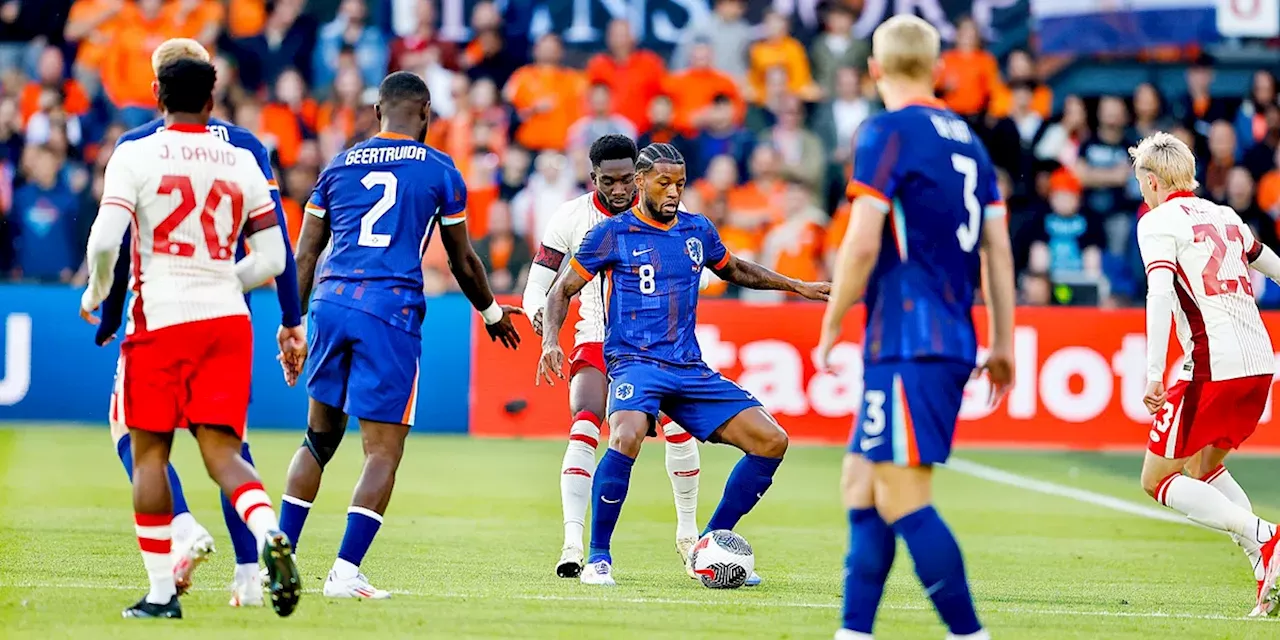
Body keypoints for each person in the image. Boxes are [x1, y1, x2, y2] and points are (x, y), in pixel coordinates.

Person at [277, 71, 522, 599]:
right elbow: (462, 259)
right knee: (382, 450)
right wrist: (492, 312)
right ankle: (344, 572)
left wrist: (291, 325)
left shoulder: (337, 166)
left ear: (376, 112)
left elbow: (303, 256)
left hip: (330, 303)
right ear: (427, 113)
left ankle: (284, 551)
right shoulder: (440, 169)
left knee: (318, 439)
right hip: (389, 310)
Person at [537, 142, 829, 586]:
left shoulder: (697, 230)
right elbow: (561, 290)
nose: (673, 192)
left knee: (771, 441)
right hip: (635, 363)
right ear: (640, 183)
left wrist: (798, 286)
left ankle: (708, 545)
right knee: (627, 433)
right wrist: (549, 341)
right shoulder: (612, 234)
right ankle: (598, 557)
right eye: (663, 183)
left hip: (689, 368)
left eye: (679, 183)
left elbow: (736, 270)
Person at [79, 57, 300, 620]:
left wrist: (97, 292)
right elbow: (274, 258)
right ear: (212, 98)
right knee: (223, 452)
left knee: (148, 450)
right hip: (227, 321)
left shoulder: (134, 152)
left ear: (156, 93)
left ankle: (159, 595)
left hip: (161, 318)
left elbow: (107, 243)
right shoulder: (242, 158)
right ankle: (270, 529)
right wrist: (228, 278)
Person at [816, 15, 1015, 640]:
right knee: (861, 479)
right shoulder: (971, 142)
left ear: (874, 69)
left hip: (910, 337)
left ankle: (970, 634)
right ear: (936, 70)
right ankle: (854, 632)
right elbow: (998, 249)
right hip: (941, 334)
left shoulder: (886, 132)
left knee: (902, 494)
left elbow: (862, 241)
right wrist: (1004, 341)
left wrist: (830, 322)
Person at [521, 134, 703, 580]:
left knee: (681, 430)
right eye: (610, 181)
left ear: (639, 178)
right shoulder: (571, 217)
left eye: (627, 181)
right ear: (593, 178)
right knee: (584, 423)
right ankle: (571, 543)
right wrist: (546, 330)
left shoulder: (665, 215)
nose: (620, 190)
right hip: (596, 338)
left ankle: (688, 534)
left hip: (658, 346)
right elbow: (539, 286)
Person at [1132, 131, 1280, 617]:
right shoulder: (1225, 215)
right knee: (1202, 468)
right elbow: (1269, 263)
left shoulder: (1157, 222)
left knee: (1157, 480)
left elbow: (1158, 296)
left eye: (1141, 182)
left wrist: (1154, 373)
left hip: (1214, 365)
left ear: (1151, 181)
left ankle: (1266, 538)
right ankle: (1268, 568)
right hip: (1260, 362)